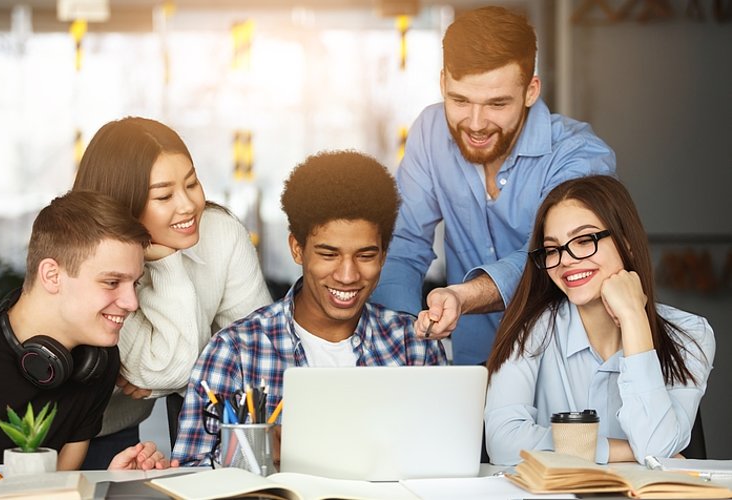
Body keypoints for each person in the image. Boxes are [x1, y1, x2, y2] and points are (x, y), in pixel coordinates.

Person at [371, 6, 616, 365]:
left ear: (531, 90)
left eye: (497, 103)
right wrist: (403, 336)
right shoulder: (429, 133)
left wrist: (464, 296)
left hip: (565, 364)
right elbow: (405, 243)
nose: (475, 123)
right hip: (475, 364)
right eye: (460, 100)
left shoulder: (580, 156)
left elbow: (556, 256)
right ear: (443, 83)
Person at [172, 150, 447, 466]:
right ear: (297, 249)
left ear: (384, 254)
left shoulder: (415, 348)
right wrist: (260, 452)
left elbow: (442, 462)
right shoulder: (236, 351)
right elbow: (189, 473)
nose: (347, 276)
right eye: (329, 255)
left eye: (366, 256)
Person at [72, 117, 272, 468]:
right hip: (73, 428)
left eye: (192, 183)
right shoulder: (92, 256)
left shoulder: (222, 234)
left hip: (131, 425)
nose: (188, 205)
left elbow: (253, 357)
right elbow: (157, 368)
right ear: (124, 203)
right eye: (164, 195)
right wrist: (165, 263)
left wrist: (166, 382)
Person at [483, 176, 715, 465]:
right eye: (553, 249)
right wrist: (627, 451)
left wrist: (633, 318)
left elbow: (656, 442)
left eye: (584, 240)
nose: (565, 260)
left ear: (627, 243)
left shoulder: (690, 334)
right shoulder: (530, 329)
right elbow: (504, 443)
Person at [0, 191, 174, 470]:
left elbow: (58, 485)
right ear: (52, 276)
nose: (132, 303)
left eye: (134, 284)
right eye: (112, 282)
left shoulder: (98, 364)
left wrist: (109, 481)